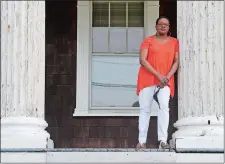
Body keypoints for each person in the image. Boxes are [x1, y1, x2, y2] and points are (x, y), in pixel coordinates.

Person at [136, 16, 179, 150]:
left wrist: (166, 77)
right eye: (160, 24)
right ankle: (141, 142)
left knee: (164, 108)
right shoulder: (148, 41)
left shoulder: (174, 42)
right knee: (144, 109)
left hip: (165, 81)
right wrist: (159, 76)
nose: (163, 26)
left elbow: (176, 61)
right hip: (147, 80)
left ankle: (162, 141)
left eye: (166, 24)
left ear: (169, 27)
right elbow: (143, 60)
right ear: (156, 26)